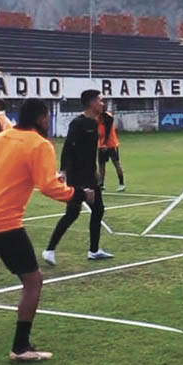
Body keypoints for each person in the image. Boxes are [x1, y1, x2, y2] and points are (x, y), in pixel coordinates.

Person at [0, 98, 93, 361]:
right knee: (33, 280)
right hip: (2, 222)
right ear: (42, 118)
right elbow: (48, 187)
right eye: (47, 117)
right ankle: (21, 347)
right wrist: (80, 194)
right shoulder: (39, 144)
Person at [43, 90, 112, 264]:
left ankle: (94, 250)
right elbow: (68, 148)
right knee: (72, 213)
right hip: (77, 176)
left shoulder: (96, 122)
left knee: (98, 209)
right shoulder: (78, 123)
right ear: (91, 103)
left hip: (90, 174)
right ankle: (49, 250)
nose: (103, 103)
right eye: (100, 100)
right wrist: (64, 171)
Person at [97, 108, 126, 192]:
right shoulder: (97, 117)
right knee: (101, 165)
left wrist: (105, 144)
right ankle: (101, 184)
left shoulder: (109, 118)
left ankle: (121, 183)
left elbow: (107, 132)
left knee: (116, 163)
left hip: (111, 144)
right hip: (101, 145)